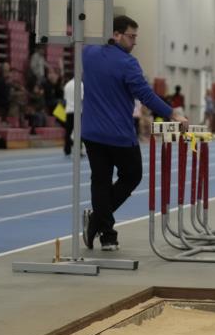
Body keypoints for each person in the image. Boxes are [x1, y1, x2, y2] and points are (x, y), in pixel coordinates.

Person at [80, 15, 186, 251]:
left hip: (91, 132)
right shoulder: (128, 63)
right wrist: (173, 114)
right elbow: (145, 95)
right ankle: (98, 223)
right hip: (118, 134)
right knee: (132, 175)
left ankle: (107, 234)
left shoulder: (88, 54)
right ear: (116, 34)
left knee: (100, 181)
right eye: (131, 36)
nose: (135, 41)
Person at [61, 75, 81, 156]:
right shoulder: (81, 84)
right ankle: (79, 149)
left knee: (68, 131)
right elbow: (82, 98)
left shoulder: (67, 85)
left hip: (69, 110)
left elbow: (65, 99)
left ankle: (67, 149)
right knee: (79, 131)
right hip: (78, 111)